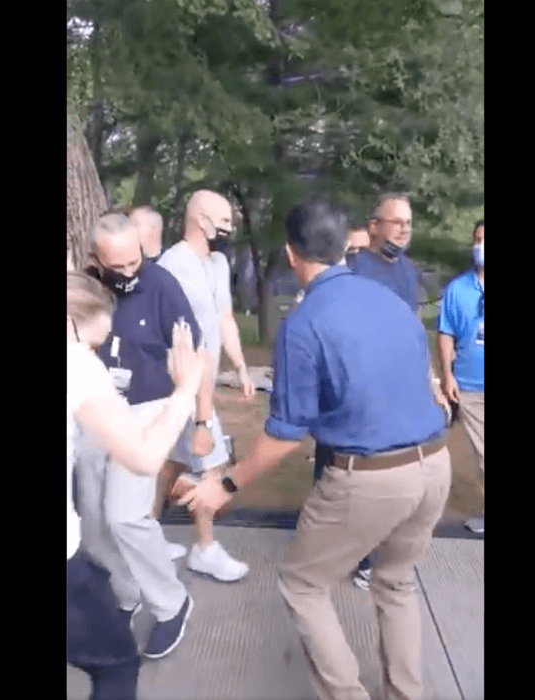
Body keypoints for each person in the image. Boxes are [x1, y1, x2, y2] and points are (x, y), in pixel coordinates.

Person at [179, 200, 452, 700]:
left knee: (304, 582)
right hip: (436, 464)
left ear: (291, 253)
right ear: (348, 244)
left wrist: (226, 484)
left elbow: (286, 434)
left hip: (371, 478)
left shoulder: (304, 323)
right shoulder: (390, 301)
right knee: (395, 581)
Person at [67, 271, 208, 700]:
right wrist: (186, 389)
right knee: (117, 665)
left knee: (118, 520)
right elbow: (145, 458)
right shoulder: (77, 365)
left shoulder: (162, 287)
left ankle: (162, 600)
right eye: (93, 344)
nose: (95, 353)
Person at [315, 193, 446, 590]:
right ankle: (329, 551)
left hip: (396, 387)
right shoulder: (352, 265)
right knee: (336, 469)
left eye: (408, 223)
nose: (404, 230)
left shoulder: (407, 270)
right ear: (373, 227)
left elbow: (414, 328)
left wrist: (431, 381)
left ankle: (367, 556)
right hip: (351, 387)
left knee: (383, 470)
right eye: (396, 222)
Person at [156, 189, 255, 583]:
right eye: (224, 220)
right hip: (178, 383)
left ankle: (145, 534)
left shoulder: (218, 263)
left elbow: (224, 319)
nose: (230, 228)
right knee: (212, 462)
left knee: (172, 464)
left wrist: (242, 367)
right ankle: (205, 548)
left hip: (206, 383)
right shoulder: (172, 266)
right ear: (201, 220)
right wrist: (195, 405)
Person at [438, 219, 485, 536]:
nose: (482, 246)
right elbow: (446, 333)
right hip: (471, 386)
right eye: (478, 239)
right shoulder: (458, 289)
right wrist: (447, 375)